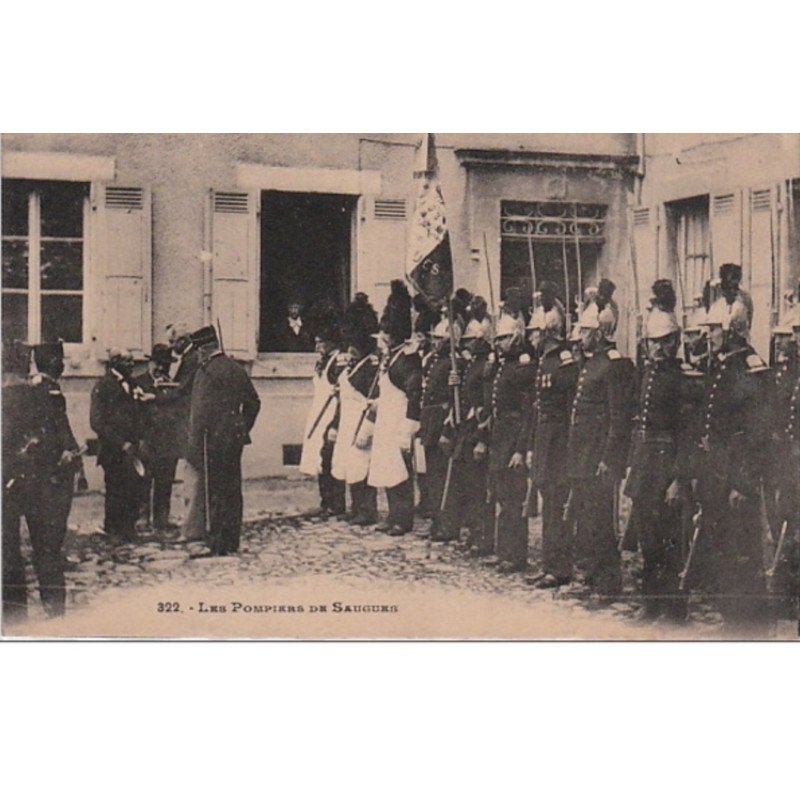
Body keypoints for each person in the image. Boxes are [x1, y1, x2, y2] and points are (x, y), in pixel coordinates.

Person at [693, 298, 770, 627]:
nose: (708, 335)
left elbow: (757, 431)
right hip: (719, 467)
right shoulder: (723, 362)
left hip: (738, 470)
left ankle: (748, 617)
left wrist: (744, 481)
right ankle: (730, 609)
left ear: (731, 329)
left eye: (713, 328)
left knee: (742, 543)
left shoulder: (748, 364)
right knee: (722, 537)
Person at [623, 281, 687, 621]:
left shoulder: (681, 379)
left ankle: (674, 606)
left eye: (665, 343)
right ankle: (651, 601)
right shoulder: (646, 375)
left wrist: (678, 478)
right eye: (653, 343)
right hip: (646, 462)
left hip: (667, 464)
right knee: (648, 536)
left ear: (675, 342)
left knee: (670, 538)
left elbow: (685, 434)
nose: (658, 349)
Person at [565, 300, 633, 600]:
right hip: (582, 454)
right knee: (585, 517)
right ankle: (591, 576)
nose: (581, 337)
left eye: (585, 331)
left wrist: (609, 458)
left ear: (600, 333)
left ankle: (609, 582)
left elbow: (618, 418)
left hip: (598, 456)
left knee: (601, 520)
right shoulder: (590, 362)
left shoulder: (613, 364)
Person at [185, 325, 261, 555]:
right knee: (232, 489)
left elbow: (198, 413)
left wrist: (194, 444)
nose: (197, 355)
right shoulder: (236, 368)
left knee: (214, 490)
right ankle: (231, 540)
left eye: (198, 351)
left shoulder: (205, 372)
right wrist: (240, 426)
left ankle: (217, 543)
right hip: (234, 439)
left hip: (211, 440)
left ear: (205, 349)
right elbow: (254, 403)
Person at [524, 286, 578, 589]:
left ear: (547, 333)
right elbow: (538, 407)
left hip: (559, 441)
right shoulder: (544, 361)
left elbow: (570, 408)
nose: (531, 337)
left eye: (535, 332)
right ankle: (549, 564)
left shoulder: (564, 361)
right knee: (548, 504)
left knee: (557, 505)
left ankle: (560, 567)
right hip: (545, 440)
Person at [480, 314, 537, 573]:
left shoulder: (523, 368)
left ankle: (515, 555)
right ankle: (504, 551)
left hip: (513, 437)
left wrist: (520, 449)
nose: (499, 342)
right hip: (500, 436)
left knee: (513, 499)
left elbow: (526, 412)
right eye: (498, 338)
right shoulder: (503, 366)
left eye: (503, 337)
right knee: (502, 496)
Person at [367, 281, 423, 536]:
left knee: (401, 472)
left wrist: (408, 427)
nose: (382, 340)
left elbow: (413, 393)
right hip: (386, 419)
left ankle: (403, 518)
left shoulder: (407, 360)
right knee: (388, 468)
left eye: (385, 334)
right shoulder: (391, 358)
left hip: (399, 421)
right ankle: (392, 514)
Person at [441, 317, 494, 555]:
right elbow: (462, 396)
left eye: (473, 340)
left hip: (476, 428)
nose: (469, 344)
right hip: (465, 429)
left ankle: (482, 536)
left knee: (477, 486)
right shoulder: (472, 363)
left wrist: (482, 435)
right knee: (466, 483)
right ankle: (472, 531)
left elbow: (485, 403)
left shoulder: (487, 365)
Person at [90, 348, 150, 544]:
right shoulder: (103, 386)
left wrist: (139, 438)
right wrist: (120, 442)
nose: (132, 365)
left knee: (132, 488)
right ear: (115, 362)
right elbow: (97, 422)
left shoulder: (132, 383)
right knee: (115, 489)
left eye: (132, 361)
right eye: (127, 361)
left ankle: (128, 528)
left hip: (132, 447)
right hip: (113, 449)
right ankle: (113, 528)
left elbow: (138, 413)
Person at [330, 293, 380, 525]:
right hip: (347, 422)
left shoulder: (371, 369)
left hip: (362, 422)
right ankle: (356, 506)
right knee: (350, 464)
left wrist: (367, 429)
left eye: (354, 349)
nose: (350, 353)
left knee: (363, 465)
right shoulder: (350, 368)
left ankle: (367, 509)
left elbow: (374, 401)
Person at [2, 341, 42, 622]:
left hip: (7, 480)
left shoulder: (5, 399)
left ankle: (15, 612)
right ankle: (54, 608)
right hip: (36, 480)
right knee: (43, 547)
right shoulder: (39, 396)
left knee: (9, 546)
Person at [417, 315, 462, 541]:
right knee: (432, 476)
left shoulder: (455, 362)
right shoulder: (433, 360)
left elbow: (459, 398)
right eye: (434, 338)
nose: (435, 342)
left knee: (444, 476)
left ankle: (448, 524)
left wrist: (457, 380)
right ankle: (436, 520)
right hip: (430, 420)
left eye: (439, 339)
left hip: (443, 421)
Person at [299, 305, 346, 518]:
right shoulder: (323, 362)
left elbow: (343, 394)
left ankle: (336, 504)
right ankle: (325, 501)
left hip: (331, 413)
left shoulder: (338, 363)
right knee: (319, 459)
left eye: (321, 342)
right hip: (319, 412)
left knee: (330, 458)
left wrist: (336, 422)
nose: (317, 345)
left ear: (331, 343)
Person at [137, 344, 182, 536]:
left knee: (165, 481)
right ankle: (142, 518)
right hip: (146, 439)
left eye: (165, 365)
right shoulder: (139, 382)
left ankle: (162, 519)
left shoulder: (172, 385)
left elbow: (178, 410)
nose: (161, 368)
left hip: (167, 441)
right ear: (151, 362)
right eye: (158, 364)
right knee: (144, 481)